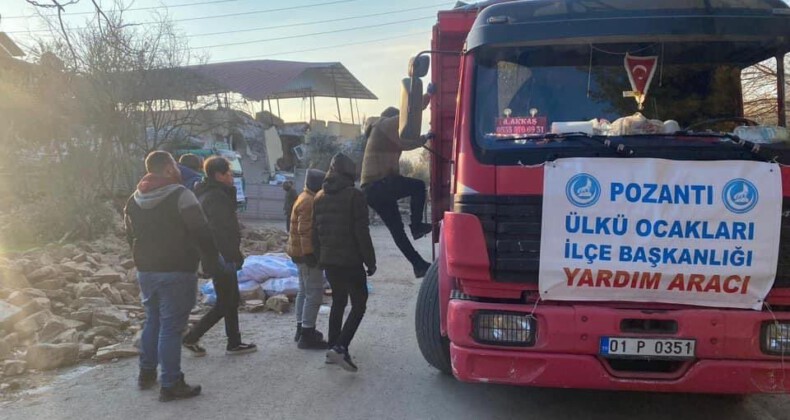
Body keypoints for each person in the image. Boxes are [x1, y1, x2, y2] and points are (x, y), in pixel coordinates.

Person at [124, 151, 219, 402]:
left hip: (146, 270)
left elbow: (129, 235)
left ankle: (146, 373)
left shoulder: (134, 199)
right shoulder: (181, 195)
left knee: (152, 320)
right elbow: (202, 231)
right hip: (177, 268)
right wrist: (210, 260)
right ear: (167, 169)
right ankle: (171, 382)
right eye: (175, 166)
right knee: (172, 327)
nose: (178, 170)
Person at [182, 156, 257, 356]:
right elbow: (219, 231)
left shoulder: (212, 193)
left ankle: (234, 342)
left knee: (230, 300)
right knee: (226, 302)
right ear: (219, 175)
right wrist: (229, 256)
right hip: (221, 257)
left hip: (220, 255)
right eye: (229, 174)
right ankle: (191, 337)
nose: (232, 177)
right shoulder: (215, 197)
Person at [313, 153, 376, 372]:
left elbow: (315, 232)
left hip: (329, 261)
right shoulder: (354, 196)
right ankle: (340, 347)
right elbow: (361, 232)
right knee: (359, 304)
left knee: (338, 302)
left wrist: (319, 258)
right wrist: (370, 261)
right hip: (350, 261)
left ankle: (332, 347)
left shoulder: (319, 196)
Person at [360, 102, 433, 278]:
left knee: (397, 231)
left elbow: (407, 144)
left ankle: (419, 265)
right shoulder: (383, 124)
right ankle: (416, 226)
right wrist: (427, 96)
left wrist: (426, 137)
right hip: (380, 184)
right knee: (418, 186)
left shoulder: (386, 136)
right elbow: (409, 110)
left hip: (372, 190)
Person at [286, 168, 328, 349]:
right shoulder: (309, 201)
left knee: (304, 292)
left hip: (298, 254)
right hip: (306, 255)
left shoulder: (303, 197)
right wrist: (310, 254)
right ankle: (307, 334)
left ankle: (301, 328)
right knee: (314, 295)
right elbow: (305, 231)